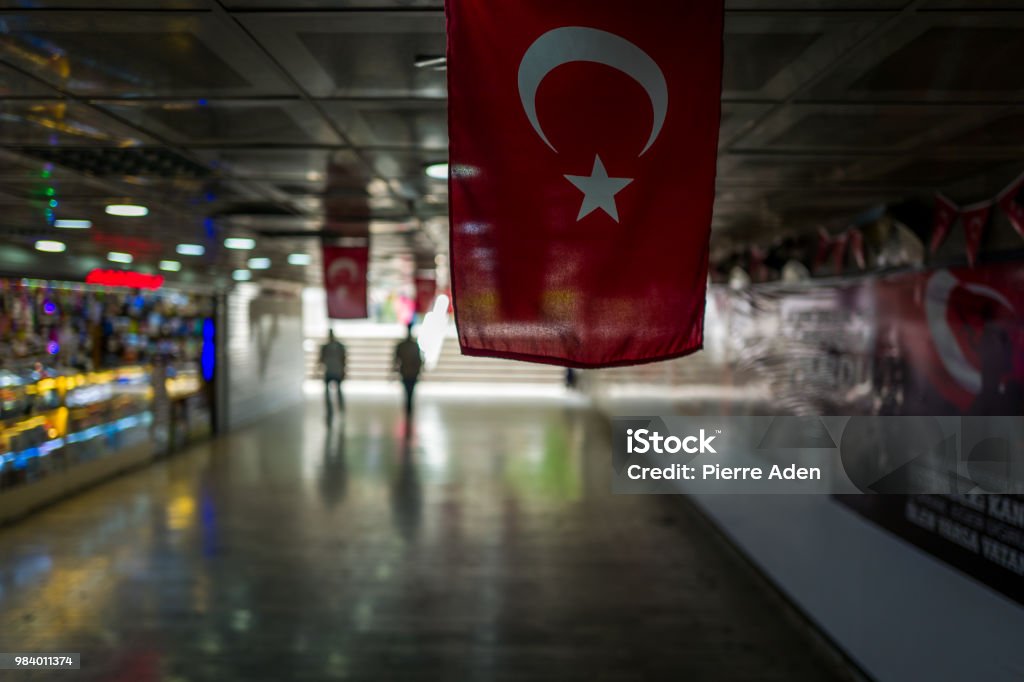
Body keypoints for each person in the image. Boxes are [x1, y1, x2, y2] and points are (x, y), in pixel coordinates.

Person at [393, 322, 423, 417]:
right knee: (410, 391)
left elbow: (396, 359)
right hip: (411, 372)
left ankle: (408, 407)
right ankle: (409, 407)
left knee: (407, 390)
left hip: (406, 372)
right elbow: (418, 360)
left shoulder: (403, 345)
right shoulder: (413, 345)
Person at [319, 330, 347, 419]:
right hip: (331, 371)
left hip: (335, 371)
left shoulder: (336, 347)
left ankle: (339, 407)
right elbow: (321, 359)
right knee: (330, 392)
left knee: (337, 391)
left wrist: (343, 370)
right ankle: (333, 408)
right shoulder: (327, 347)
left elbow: (343, 359)